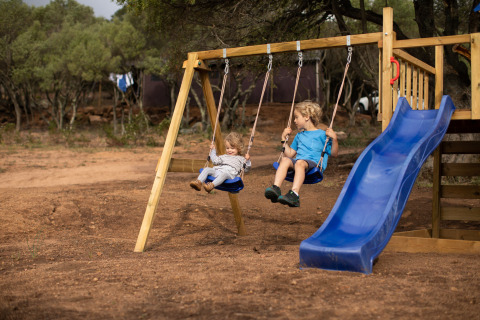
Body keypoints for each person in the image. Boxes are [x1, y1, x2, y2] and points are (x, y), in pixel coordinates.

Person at [264, 101, 338, 207]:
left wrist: (334, 139)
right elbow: (289, 154)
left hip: (314, 165)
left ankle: (294, 195)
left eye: (296, 117)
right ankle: (276, 189)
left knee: (299, 163)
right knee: (284, 160)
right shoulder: (299, 136)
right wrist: (283, 139)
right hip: (300, 163)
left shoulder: (322, 135)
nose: (294, 120)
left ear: (306, 117)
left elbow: (334, 153)